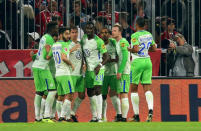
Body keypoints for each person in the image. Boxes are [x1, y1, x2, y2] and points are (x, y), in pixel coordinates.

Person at [128, 17, 156, 122]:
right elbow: (153, 48)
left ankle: (136, 116)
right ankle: (150, 110)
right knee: (147, 88)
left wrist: (129, 49)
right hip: (147, 61)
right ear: (144, 25)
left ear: (136, 25)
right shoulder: (149, 34)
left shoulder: (134, 35)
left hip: (137, 62)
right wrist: (145, 49)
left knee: (134, 89)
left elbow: (135, 49)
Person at [81, 22, 109, 122]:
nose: (89, 30)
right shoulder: (83, 39)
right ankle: (94, 116)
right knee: (90, 92)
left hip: (98, 69)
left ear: (94, 30)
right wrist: (83, 63)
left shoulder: (99, 41)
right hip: (88, 70)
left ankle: (100, 117)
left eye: (91, 29)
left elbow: (106, 56)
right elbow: (83, 53)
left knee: (98, 90)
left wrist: (99, 65)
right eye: (87, 28)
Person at [31, 21, 58, 122]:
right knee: (53, 90)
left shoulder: (43, 37)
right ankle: (47, 116)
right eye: (56, 28)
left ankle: (37, 117)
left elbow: (40, 53)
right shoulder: (50, 39)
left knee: (39, 92)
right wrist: (53, 53)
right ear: (51, 29)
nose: (57, 29)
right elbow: (46, 56)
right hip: (43, 67)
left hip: (36, 66)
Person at [47, 27, 75, 122]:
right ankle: (62, 117)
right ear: (60, 35)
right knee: (70, 94)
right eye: (66, 34)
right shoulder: (64, 44)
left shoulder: (54, 45)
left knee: (60, 96)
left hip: (57, 73)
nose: (68, 36)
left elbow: (47, 56)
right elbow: (63, 57)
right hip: (65, 73)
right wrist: (71, 64)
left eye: (69, 34)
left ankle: (60, 117)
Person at [100, 27, 122, 122]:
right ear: (100, 34)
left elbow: (118, 56)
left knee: (113, 94)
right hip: (103, 73)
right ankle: (103, 117)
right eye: (102, 33)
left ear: (109, 34)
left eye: (106, 32)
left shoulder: (113, 42)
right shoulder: (99, 44)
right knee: (103, 96)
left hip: (113, 72)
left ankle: (119, 115)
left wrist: (111, 60)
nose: (104, 34)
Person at [112, 24, 130, 122]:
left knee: (124, 93)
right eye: (112, 30)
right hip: (121, 72)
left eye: (115, 30)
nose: (113, 32)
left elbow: (125, 58)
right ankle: (122, 116)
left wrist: (120, 71)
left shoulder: (123, 42)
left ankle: (124, 117)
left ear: (120, 32)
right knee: (121, 94)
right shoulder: (117, 42)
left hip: (124, 72)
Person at [68, 26, 85, 122]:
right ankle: (66, 116)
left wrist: (84, 64)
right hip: (71, 74)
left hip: (80, 74)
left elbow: (82, 57)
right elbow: (63, 56)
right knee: (69, 96)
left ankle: (72, 112)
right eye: (72, 32)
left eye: (75, 32)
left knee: (82, 95)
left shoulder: (80, 44)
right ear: (70, 34)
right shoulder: (68, 44)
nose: (74, 34)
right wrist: (71, 50)